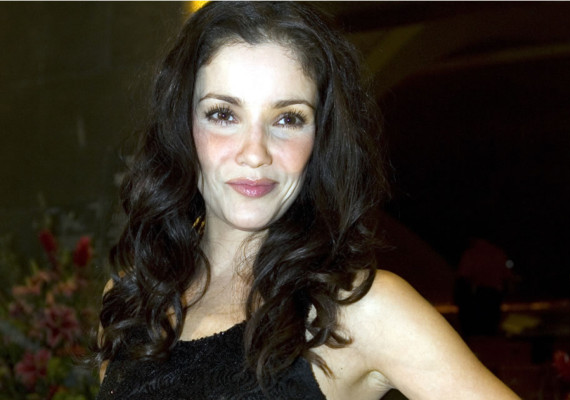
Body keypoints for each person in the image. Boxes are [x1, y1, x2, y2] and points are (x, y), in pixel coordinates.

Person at [94, 2, 520, 399]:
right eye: (223, 114)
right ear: (182, 127)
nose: (255, 153)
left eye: (287, 119)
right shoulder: (133, 300)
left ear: (320, 139)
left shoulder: (358, 311)